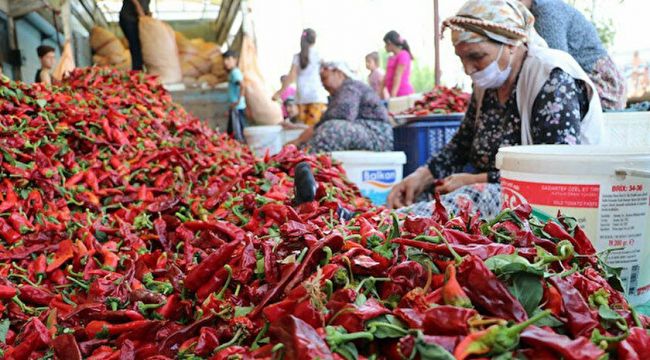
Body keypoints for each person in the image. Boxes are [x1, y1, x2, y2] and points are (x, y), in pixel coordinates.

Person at [387, 0, 604, 218]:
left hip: (552, 201)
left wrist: (475, 180)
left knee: (470, 197)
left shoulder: (552, 77)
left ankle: (394, 222)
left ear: (510, 43)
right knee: (430, 195)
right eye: (461, 58)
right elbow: (460, 145)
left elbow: (554, 168)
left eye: (476, 57)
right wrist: (421, 176)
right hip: (498, 190)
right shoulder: (488, 84)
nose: (467, 69)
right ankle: (394, 221)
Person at [520, 0, 627, 110]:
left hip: (603, 86)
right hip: (582, 81)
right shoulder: (533, 11)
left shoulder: (546, 11)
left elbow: (555, 65)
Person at [288, 60, 393, 153]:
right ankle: (297, 158)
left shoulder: (351, 86)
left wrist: (302, 138)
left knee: (331, 130)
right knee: (326, 128)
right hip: (364, 132)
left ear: (338, 72)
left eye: (325, 78)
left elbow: (343, 114)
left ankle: (303, 160)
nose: (323, 84)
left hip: (377, 135)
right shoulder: (340, 92)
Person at [273, 29, 328, 126]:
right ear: (315, 40)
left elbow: (291, 77)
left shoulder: (297, 57)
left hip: (302, 98)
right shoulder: (319, 55)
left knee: (302, 128)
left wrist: (278, 93)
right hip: (317, 97)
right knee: (314, 129)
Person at [120, 0, 150, 71]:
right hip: (129, 18)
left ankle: (139, 70)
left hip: (138, 19)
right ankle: (137, 71)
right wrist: (138, 7)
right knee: (135, 46)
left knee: (140, 46)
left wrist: (147, 12)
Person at [383, 30, 414, 98]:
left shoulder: (403, 55)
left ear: (389, 43)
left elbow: (398, 75)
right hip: (394, 94)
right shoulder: (390, 58)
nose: (385, 47)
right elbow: (386, 77)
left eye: (385, 44)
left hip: (403, 94)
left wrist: (393, 94)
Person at [223, 50, 246, 140]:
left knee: (237, 133)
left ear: (235, 60)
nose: (226, 62)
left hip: (237, 107)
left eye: (229, 59)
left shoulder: (235, 72)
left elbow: (242, 86)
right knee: (231, 131)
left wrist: (238, 101)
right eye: (225, 60)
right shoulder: (232, 73)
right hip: (234, 107)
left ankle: (241, 149)